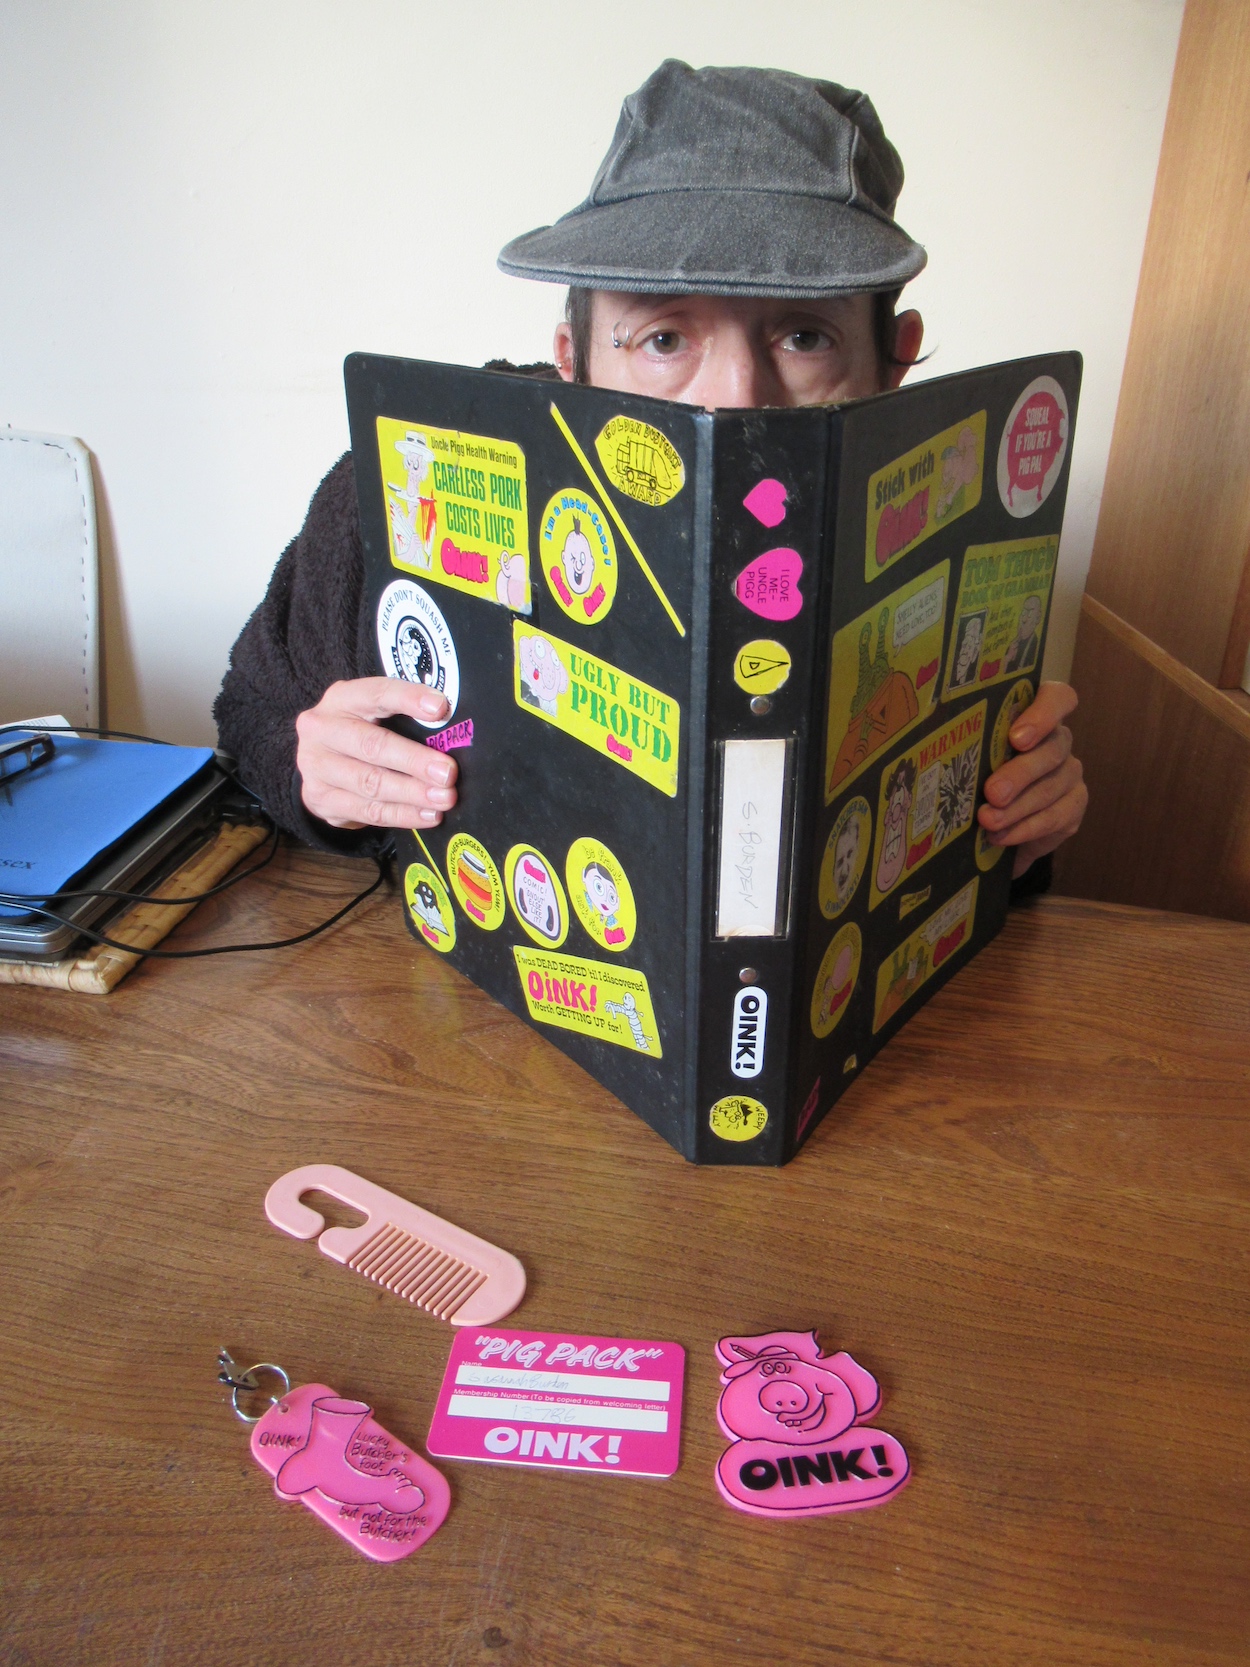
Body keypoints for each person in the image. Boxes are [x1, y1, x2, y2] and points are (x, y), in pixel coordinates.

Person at [215, 60, 1086, 884]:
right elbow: (250, 708)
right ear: (573, 359)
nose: (736, 398)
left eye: (804, 336)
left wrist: (1011, 832)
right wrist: (315, 770)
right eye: (664, 338)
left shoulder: (934, 527)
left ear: (893, 361)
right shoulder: (401, 480)